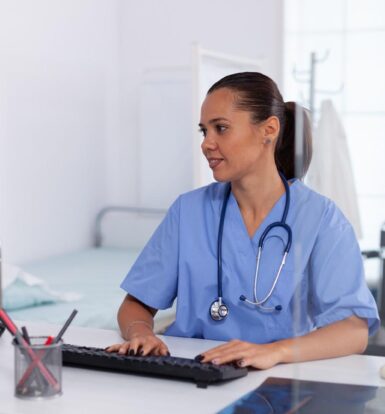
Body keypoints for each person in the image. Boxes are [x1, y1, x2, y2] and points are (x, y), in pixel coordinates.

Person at [107, 72, 379, 370]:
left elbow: (353, 330)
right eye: (204, 131)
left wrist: (276, 352)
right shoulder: (189, 211)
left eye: (221, 128)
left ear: (269, 130)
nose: (206, 144)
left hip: (279, 378)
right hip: (191, 371)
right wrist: (142, 333)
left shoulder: (322, 219)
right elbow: (136, 304)